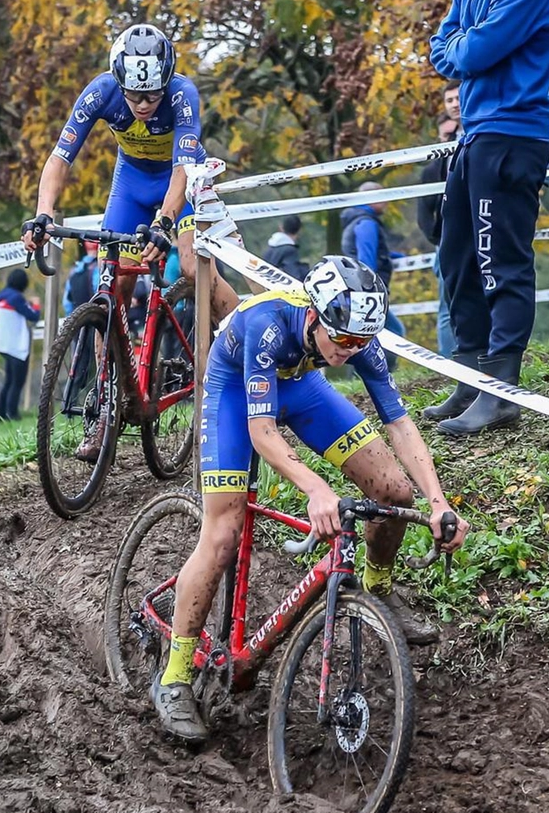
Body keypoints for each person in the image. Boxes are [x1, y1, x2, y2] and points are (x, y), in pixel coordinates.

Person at [151, 256, 468, 741]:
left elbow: (400, 425)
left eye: (359, 342)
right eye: (340, 339)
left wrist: (438, 501)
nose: (348, 350)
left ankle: (378, 591)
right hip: (235, 390)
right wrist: (316, 489)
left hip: (301, 386)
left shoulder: (356, 336)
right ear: (316, 317)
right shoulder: (268, 323)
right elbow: (262, 431)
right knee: (223, 534)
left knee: (393, 490)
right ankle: (174, 677)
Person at [427, 0, 549, 434]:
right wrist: (463, 48)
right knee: (456, 255)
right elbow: (444, 50)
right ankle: (468, 376)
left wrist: (464, 48)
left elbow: (477, 49)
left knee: (498, 258)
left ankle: (501, 390)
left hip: (514, 133)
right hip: (475, 134)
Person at [20, 24, 239, 325]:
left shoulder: (182, 94)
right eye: (134, 96)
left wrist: (163, 224)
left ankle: (247, 344)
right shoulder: (101, 91)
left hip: (185, 183)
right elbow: (59, 158)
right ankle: (108, 372)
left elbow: (183, 169)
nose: (144, 104)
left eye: (153, 95)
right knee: (112, 286)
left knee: (191, 268)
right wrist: (43, 214)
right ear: (120, 83)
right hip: (132, 184)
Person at [415, 89, 462, 359]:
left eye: (452, 134)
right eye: (445, 135)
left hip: (467, 238)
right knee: (446, 307)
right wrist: (440, 239)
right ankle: (449, 361)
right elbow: (423, 214)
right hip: (444, 244)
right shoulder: (431, 169)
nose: (448, 138)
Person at [341, 183, 407, 369]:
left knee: (364, 336)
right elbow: (366, 259)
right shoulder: (367, 223)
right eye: (383, 197)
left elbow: (367, 252)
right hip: (366, 289)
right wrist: (372, 290)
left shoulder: (355, 220)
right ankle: (384, 375)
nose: (386, 203)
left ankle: (365, 377)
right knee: (394, 332)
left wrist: (394, 257)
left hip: (356, 287)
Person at [0, 267, 42, 422]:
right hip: (15, 345)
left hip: (2, 343)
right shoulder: (17, 298)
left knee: (9, 380)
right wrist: (36, 305)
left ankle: (1, 413)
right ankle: (12, 414)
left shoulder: (1, 296)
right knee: (17, 381)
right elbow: (33, 316)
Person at [262, 216, 309, 282]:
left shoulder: (270, 247)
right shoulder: (290, 251)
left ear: (281, 227)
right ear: (300, 230)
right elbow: (294, 277)